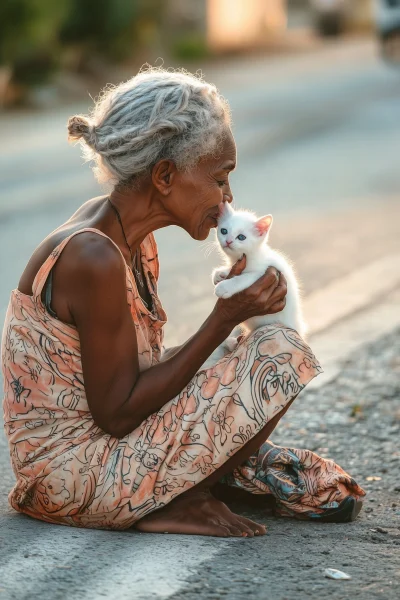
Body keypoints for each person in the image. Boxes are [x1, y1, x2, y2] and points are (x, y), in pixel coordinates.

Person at [1, 68, 365, 535]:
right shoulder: (93, 255)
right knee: (281, 353)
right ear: (166, 175)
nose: (228, 197)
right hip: (69, 477)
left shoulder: (126, 238)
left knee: (250, 349)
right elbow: (117, 413)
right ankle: (171, 501)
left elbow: (131, 374)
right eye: (220, 178)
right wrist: (222, 319)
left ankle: (174, 489)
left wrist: (227, 343)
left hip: (95, 451)